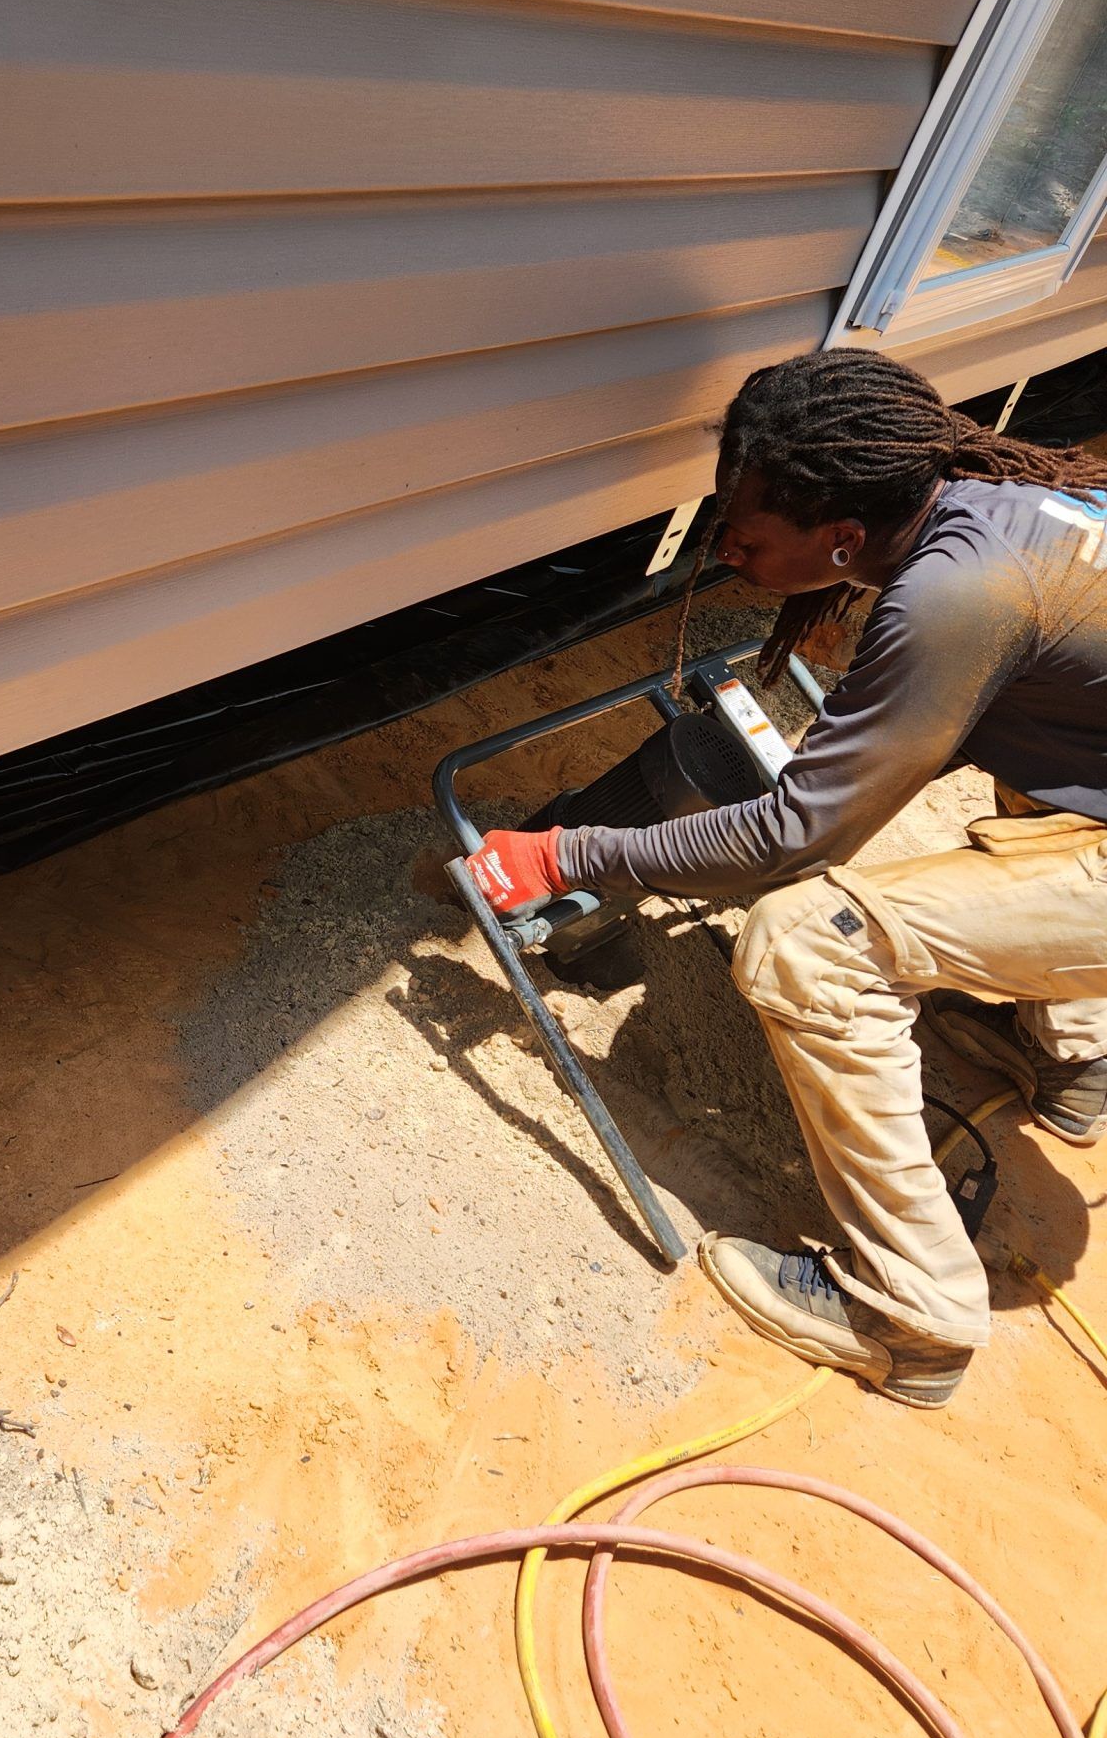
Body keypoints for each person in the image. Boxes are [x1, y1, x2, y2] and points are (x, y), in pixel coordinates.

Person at [467, 349, 1107, 1408]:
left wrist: (567, 852)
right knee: (1035, 750)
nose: (725, 548)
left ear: (843, 539)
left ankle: (909, 1315)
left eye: (746, 534)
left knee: (808, 942)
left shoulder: (958, 593)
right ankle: (1074, 1059)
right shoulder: (998, 504)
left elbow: (793, 842)